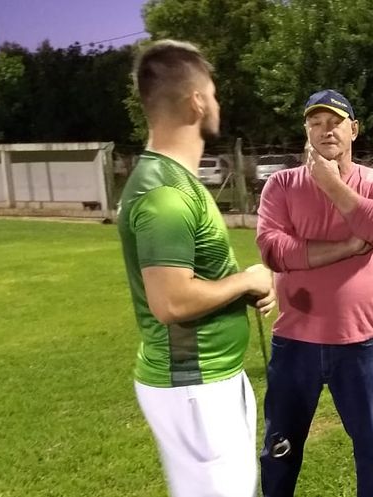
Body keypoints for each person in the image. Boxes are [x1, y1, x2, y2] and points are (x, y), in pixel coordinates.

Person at [116, 40, 275, 497]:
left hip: (208, 381)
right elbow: (171, 301)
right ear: (197, 101)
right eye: (214, 93)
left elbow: (194, 278)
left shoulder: (174, 179)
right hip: (194, 385)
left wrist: (243, 284)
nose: (218, 103)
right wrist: (246, 280)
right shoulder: (165, 192)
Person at [255, 89, 373, 497]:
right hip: (294, 341)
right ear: (306, 131)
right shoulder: (282, 184)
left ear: (354, 129)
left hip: (359, 342)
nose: (326, 131)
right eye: (316, 123)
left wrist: (332, 185)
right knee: (280, 449)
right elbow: (273, 250)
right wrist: (347, 247)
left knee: (371, 448)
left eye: (335, 122)